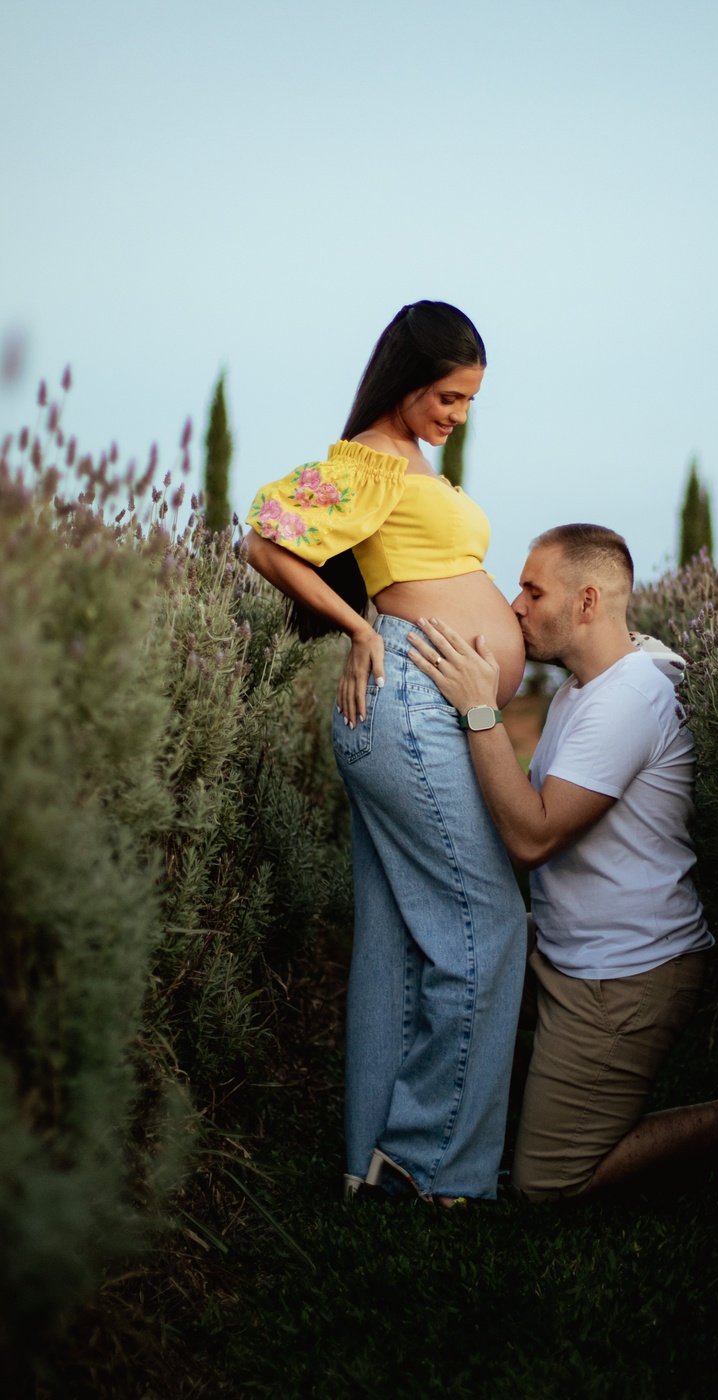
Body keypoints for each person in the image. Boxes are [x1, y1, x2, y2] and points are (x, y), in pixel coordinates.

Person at [409, 524, 718, 1200]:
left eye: (533, 591)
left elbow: (534, 839)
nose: (515, 605)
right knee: (450, 954)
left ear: (587, 602)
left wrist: (480, 712)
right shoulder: (585, 688)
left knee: (549, 1185)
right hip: (569, 948)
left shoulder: (627, 701)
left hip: (623, 973)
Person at [245, 302, 527, 1203]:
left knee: (400, 940)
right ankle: (432, 1165)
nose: (458, 416)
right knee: (488, 926)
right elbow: (264, 536)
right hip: (408, 704)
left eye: (469, 401)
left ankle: (372, 1161)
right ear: (406, 382)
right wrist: (360, 630)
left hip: (417, 708)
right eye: (448, 397)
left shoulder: (408, 464)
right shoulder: (370, 459)